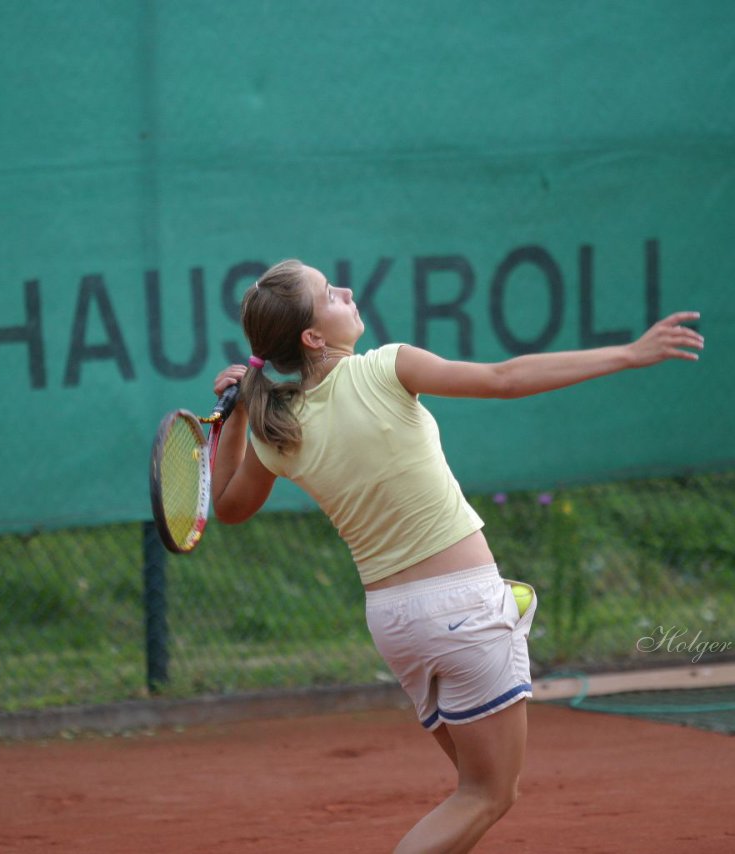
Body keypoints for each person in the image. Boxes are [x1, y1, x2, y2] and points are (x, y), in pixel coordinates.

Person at [210, 258, 703, 853]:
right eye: (329, 294)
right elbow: (504, 377)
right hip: (460, 611)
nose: (345, 289)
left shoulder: (278, 425)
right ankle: (501, 614)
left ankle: (506, 611)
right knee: (486, 795)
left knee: (478, 788)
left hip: (396, 624)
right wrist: (628, 352)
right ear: (313, 337)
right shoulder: (388, 365)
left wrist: (232, 423)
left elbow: (230, 508)